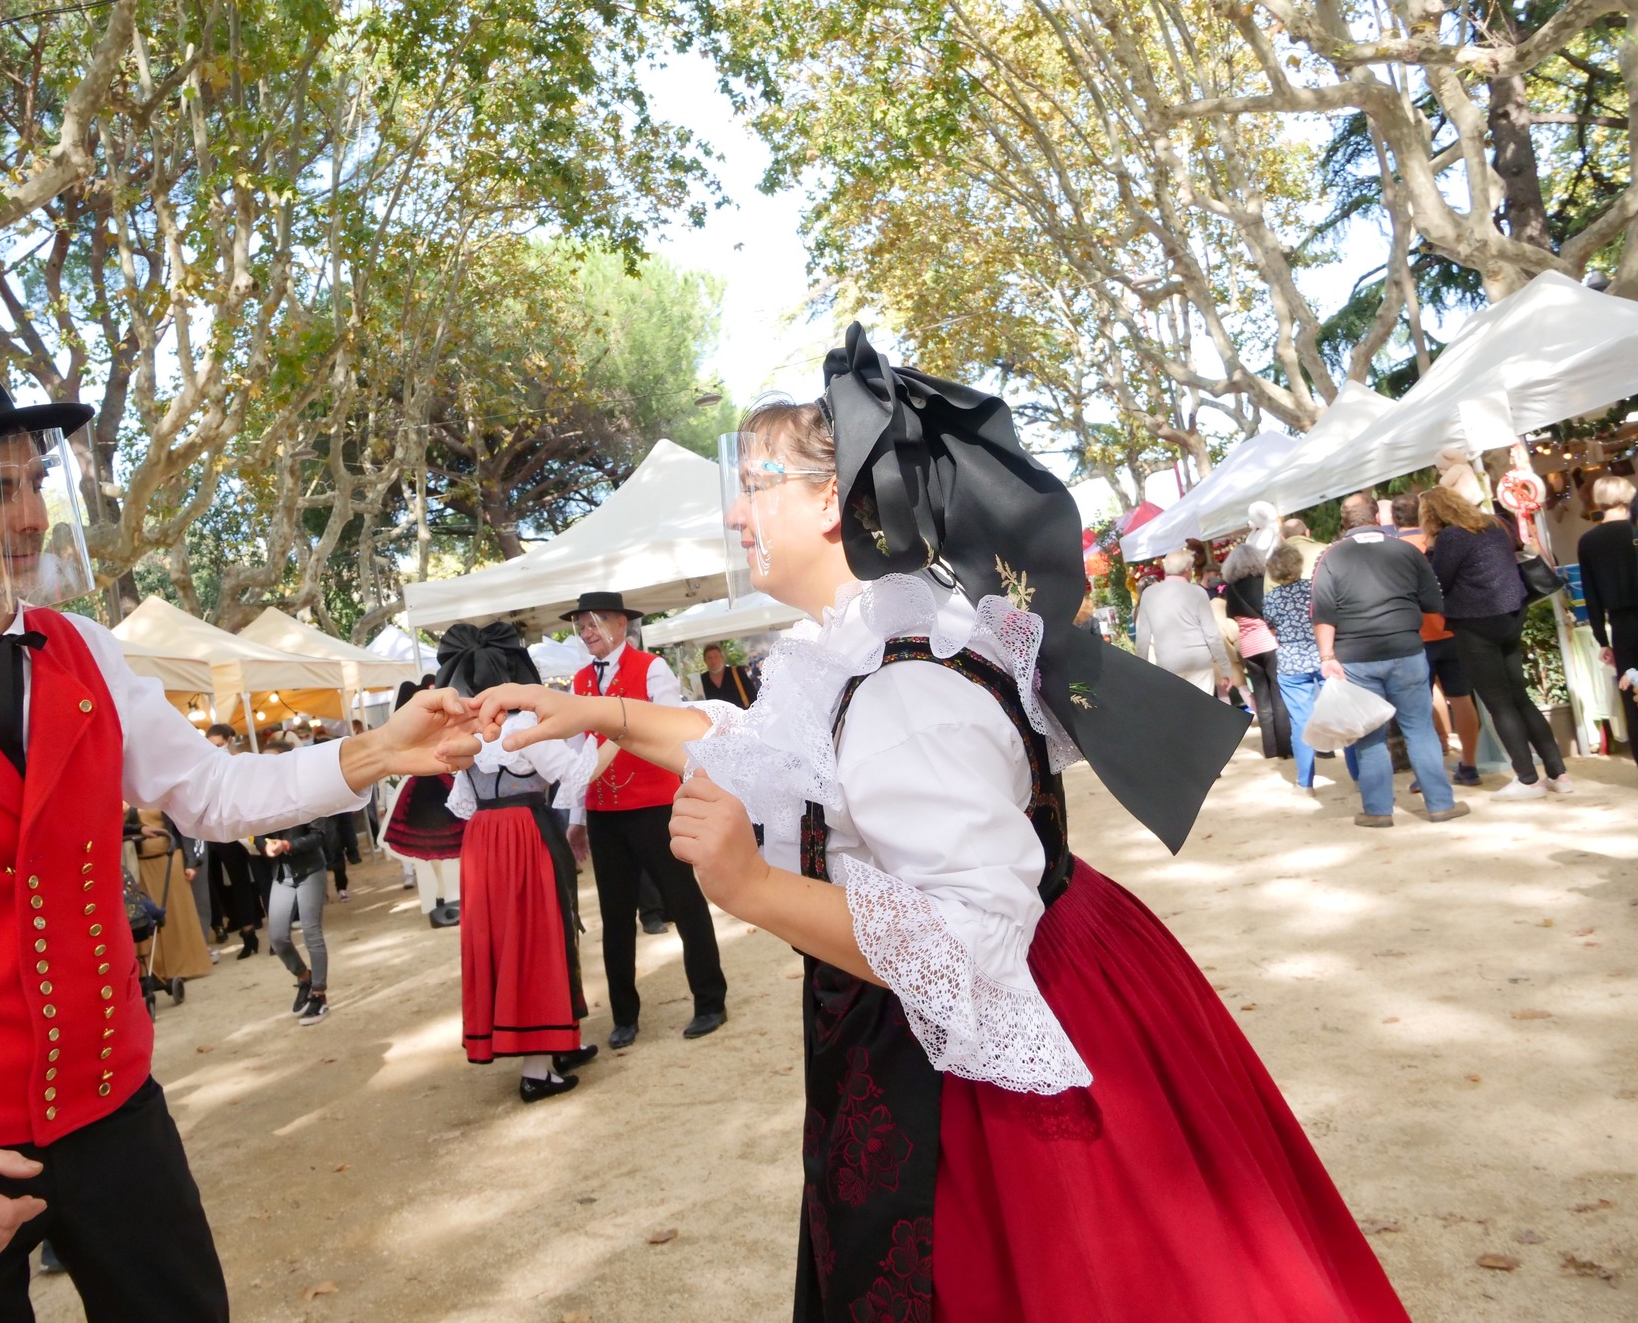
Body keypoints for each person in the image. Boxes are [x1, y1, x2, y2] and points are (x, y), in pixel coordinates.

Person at [473, 327, 1403, 1322]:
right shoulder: (887, 635)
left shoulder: (903, 688)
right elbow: (767, 740)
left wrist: (753, 889)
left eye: (756, 485)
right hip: (1066, 962)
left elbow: (968, 947)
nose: (736, 514)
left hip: (990, 1053)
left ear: (832, 502)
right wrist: (594, 712)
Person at [0, 359, 478, 1322]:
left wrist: (376, 751)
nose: (31, 516)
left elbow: (211, 793)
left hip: (113, 1111)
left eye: (32, 481)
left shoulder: (89, 652)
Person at [439, 623, 599, 1101]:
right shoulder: (523, 727)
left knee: (505, 939)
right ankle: (537, 1068)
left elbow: (463, 804)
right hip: (527, 836)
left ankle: (557, 1044)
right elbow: (573, 779)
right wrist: (607, 738)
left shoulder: (463, 732)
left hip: (483, 841)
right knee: (537, 937)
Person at [565, 591, 728, 1047]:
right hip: (603, 812)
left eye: (594, 622)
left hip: (654, 805)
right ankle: (624, 1016)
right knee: (615, 917)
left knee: (684, 902)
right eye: (581, 625)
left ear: (621, 624)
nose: (586, 631)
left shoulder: (651, 668)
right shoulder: (578, 681)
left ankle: (710, 1000)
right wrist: (578, 817)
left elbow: (669, 730)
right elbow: (580, 755)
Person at [1312, 492, 1465, 828]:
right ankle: (1440, 804)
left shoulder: (1331, 557)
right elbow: (1432, 602)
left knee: (1369, 735)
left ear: (1344, 522)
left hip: (1356, 658)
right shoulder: (1407, 551)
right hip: (1406, 649)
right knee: (1420, 729)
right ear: (1379, 519)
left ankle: (1378, 810)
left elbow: (1322, 613)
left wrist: (1327, 656)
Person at [1420, 488, 1572, 799]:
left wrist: (1431, 549)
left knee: (1499, 702)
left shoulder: (1450, 538)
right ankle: (1558, 773)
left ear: (1432, 515)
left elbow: (1439, 581)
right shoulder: (1494, 524)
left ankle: (1528, 779)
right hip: (1511, 614)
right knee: (1520, 697)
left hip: (1475, 623)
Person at [1389, 494, 1482, 788]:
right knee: (1462, 699)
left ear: (1393, 519)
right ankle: (1469, 764)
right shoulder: (1441, 542)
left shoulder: (1393, 551)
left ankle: (1426, 773)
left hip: (1415, 637)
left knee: (1418, 708)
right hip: (1452, 629)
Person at [383, 682, 466, 929]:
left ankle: (456, 896)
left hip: (442, 790)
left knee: (454, 851)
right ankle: (442, 899)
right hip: (422, 794)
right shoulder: (406, 734)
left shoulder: (444, 729)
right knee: (432, 854)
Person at [1576, 474, 1638, 771]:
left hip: (1623, 625)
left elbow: (1591, 594)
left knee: (1632, 694)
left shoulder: (1589, 541)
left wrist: (1602, 639)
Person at [123, 809, 210, 1004]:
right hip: (140, 867)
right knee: (147, 918)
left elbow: (184, 827)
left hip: (169, 859)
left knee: (177, 915)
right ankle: (156, 970)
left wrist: (192, 862)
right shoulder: (126, 797)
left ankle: (183, 965)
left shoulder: (162, 796)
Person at [1262, 543, 1325, 794]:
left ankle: (1305, 781)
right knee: (1338, 713)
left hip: (1291, 661)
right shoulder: (1314, 588)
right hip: (1321, 654)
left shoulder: (1271, 598)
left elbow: (1271, 625)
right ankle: (1357, 774)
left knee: (1301, 722)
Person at [1222, 541, 1290, 762]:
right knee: (1278, 694)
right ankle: (1284, 746)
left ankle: (1269, 748)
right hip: (1270, 643)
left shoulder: (1231, 591)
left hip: (1249, 647)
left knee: (1262, 698)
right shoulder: (1265, 583)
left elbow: (1232, 616)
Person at [261, 811, 331, 1025]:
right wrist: (263, 846)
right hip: (282, 874)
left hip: (311, 870)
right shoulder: (263, 800)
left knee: (312, 934)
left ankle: (319, 995)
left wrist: (287, 845)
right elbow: (255, 834)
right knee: (278, 938)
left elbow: (318, 835)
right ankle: (304, 978)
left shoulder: (310, 797)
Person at [200, 725, 262, 958]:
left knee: (263, 879)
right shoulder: (207, 770)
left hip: (250, 828)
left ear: (229, 741)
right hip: (224, 832)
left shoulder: (244, 763)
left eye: (218, 745)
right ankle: (248, 933)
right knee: (237, 882)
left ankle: (273, 929)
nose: (216, 750)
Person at [1132, 548, 1229, 691]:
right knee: (1204, 707)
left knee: (1179, 709)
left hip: (1169, 663)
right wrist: (1225, 666)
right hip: (1199, 661)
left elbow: (1143, 638)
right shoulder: (1197, 592)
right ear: (1188, 569)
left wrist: (1143, 669)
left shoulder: (1149, 594)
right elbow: (1211, 633)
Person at [699, 643, 758, 707]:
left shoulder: (736, 672)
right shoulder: (702, 680)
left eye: (716, 656)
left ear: (722, 658)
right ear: (705, 660)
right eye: (709, 658)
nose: (713, 660)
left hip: (741, 714)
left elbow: (752, 695)